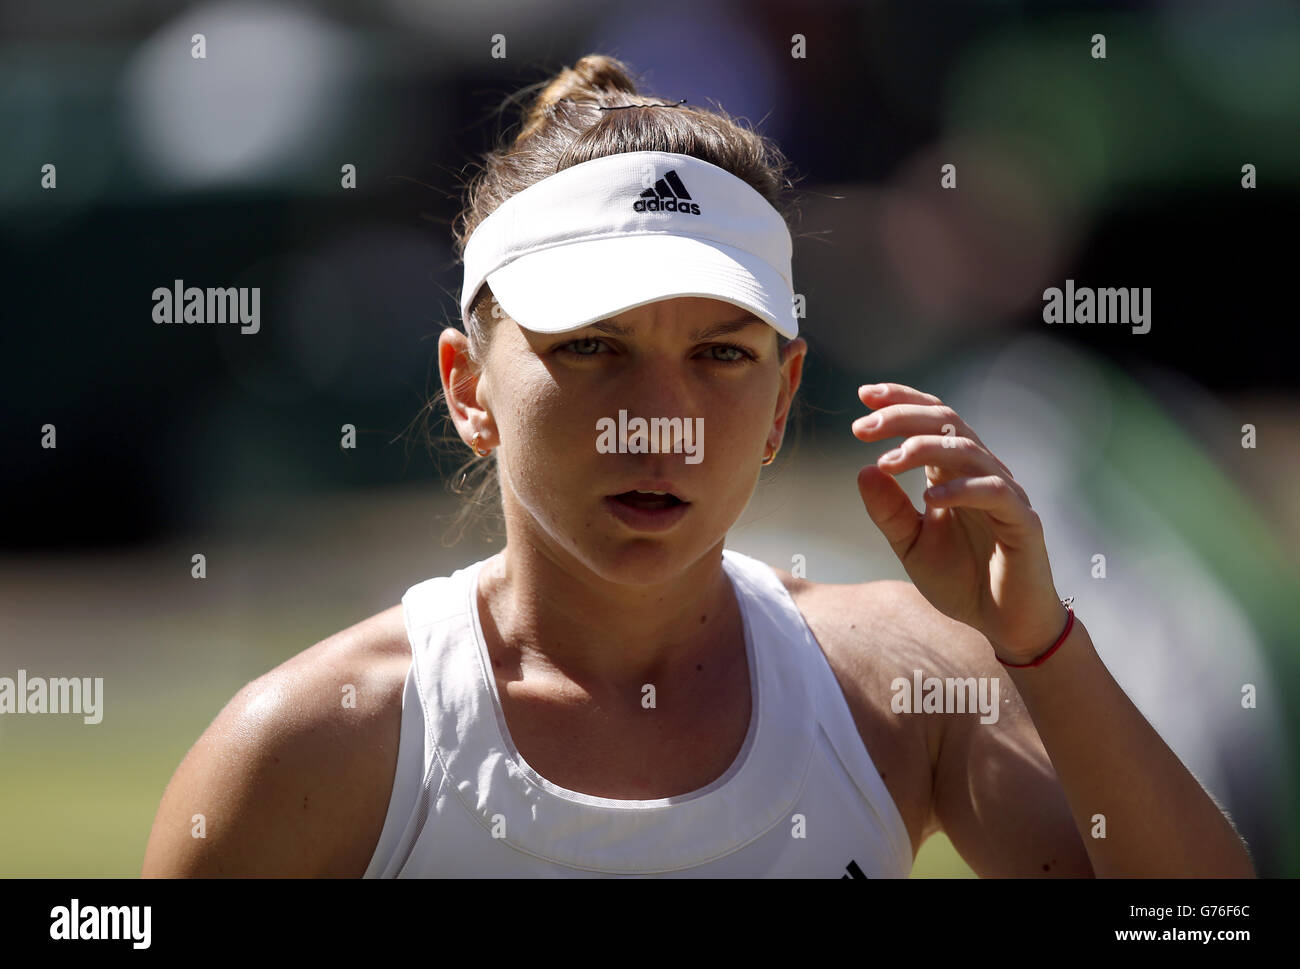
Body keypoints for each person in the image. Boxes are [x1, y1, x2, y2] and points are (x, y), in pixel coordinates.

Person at [142, 54, 1255, 878]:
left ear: (781, 401)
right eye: (593, 348)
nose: (658, 420)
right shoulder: (309, 743)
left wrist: (1038, 645)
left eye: (721, 354)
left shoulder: (901, 682)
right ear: (469, 388)